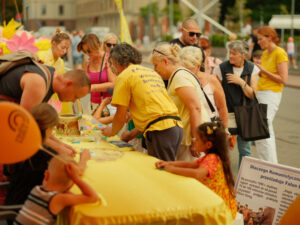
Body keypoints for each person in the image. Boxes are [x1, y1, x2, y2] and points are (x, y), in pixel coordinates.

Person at [101, 43, 183, 161]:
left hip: (160, 131)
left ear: (118, 62)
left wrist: (111, 131)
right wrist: (131, 133)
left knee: (162, 172)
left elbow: (120, 115)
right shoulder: (150, 72)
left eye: (112, 64)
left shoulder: (124, 76)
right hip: (174, 127)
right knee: (164, 169)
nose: (113, 68)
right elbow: (152, 110)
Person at [4, 103, 91, 207]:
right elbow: (76, 172)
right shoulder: (47, 154)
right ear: (49, 128)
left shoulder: (17, 146)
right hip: (28, 209)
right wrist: (84, 158)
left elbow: (6, 174)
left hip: (11, 202)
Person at [0, 64, 90, 155]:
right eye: (75, 96)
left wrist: (61, 144)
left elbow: (40, 125)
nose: (73, 101)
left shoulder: (50, 77)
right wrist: (58, 148)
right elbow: (26, 128)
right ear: (69, 83)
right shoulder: (38, 83)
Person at [155, 121, 237, 219]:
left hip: (218, 209)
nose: (194, 141)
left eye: (197, 140)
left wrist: (171, 169)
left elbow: (197, 174)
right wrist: (168, 163)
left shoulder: (212, 158)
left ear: (208, 145)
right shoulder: (209, 157)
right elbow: (190, 164)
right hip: (214, 204)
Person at [150, 43, 210, 161]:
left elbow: (195, 108)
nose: (155, 70)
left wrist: (195, 140)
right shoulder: (178, 75)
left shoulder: (179, 77)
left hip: (190, 141)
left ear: (166, 61)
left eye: (156, 65)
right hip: (187, 139)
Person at [13, 155, 98, 225]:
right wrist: (76, 178)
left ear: (46, 175)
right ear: (72, 184)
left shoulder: (36, 189)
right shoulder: (58, 199)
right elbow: (93, 197)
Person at [213, 40, 259, 167]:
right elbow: (215, 93)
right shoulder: (221, 68)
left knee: (245, 151)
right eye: (230, 53)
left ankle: (242, 182)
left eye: (234, 53)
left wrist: (241, 82)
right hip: (227, 114)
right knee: (221, 148)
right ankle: (221, 178)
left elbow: (252, 94)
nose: (230, 55)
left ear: (243, 55)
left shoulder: (252, 69)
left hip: (245, 114)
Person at [255, 26, 288, 163]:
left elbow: (283, 79)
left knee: (263, 129)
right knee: (260, 130)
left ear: (269, 37)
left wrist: (263, 70)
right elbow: (263, 74)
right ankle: (267, 163)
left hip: (271, 93)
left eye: (260, 39)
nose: (258, 42)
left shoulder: (279, 53)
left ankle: (270, 164)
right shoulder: (264, 54)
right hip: (261, 92)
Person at [179, 46, 228, 130]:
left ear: (198, 67)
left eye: (188, 69)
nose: (184, 73)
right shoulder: (178, 80)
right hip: (185, 132)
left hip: (209, 131)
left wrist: (225, 131)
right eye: (182, 68)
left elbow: (222, 108)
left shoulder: (211, 81)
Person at [36, 28, 73, 114]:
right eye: (63, 47)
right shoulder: (40, 56)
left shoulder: (61, 62)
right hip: (41, 97)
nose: (65, 51)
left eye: (67, 49)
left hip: (56, 100)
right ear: (53, 44)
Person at [77, 33, 116, 114]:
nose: (87, 54)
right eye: (85, 51)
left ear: (98, 45)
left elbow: (113, 84)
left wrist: (93, 87)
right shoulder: (87, 62)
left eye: (89, 51)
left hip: (109, 106)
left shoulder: (108, 59)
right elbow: (87, 84)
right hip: (93, 106)